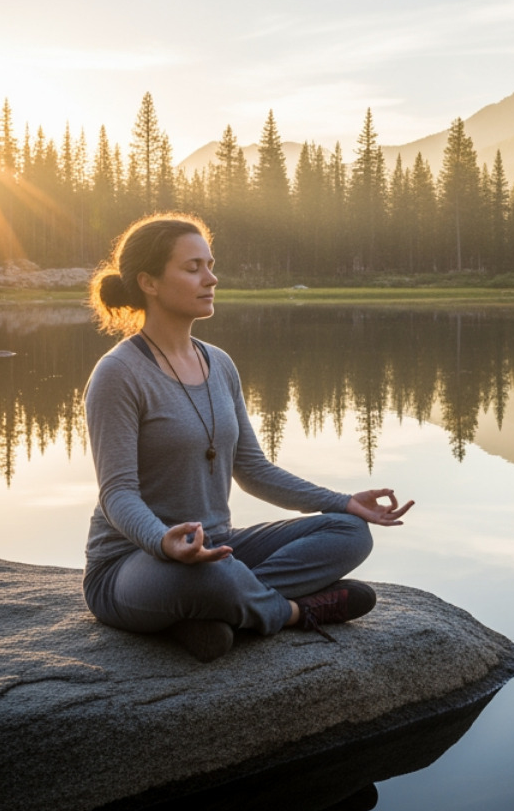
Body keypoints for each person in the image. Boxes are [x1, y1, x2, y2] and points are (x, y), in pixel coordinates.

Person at [82, 213, 413, 661]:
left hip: (219, 547)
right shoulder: (118, 374)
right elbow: (117, 494)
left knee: (350, 534)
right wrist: (164, 542)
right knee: (212, 579)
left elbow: (253, 469)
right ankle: (293, 612)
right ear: (149, 282)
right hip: (132, 564)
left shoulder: (219, 364)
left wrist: (344, 501)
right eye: (193, 267)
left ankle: (209, 620)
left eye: (210, 264)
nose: (211, 278)